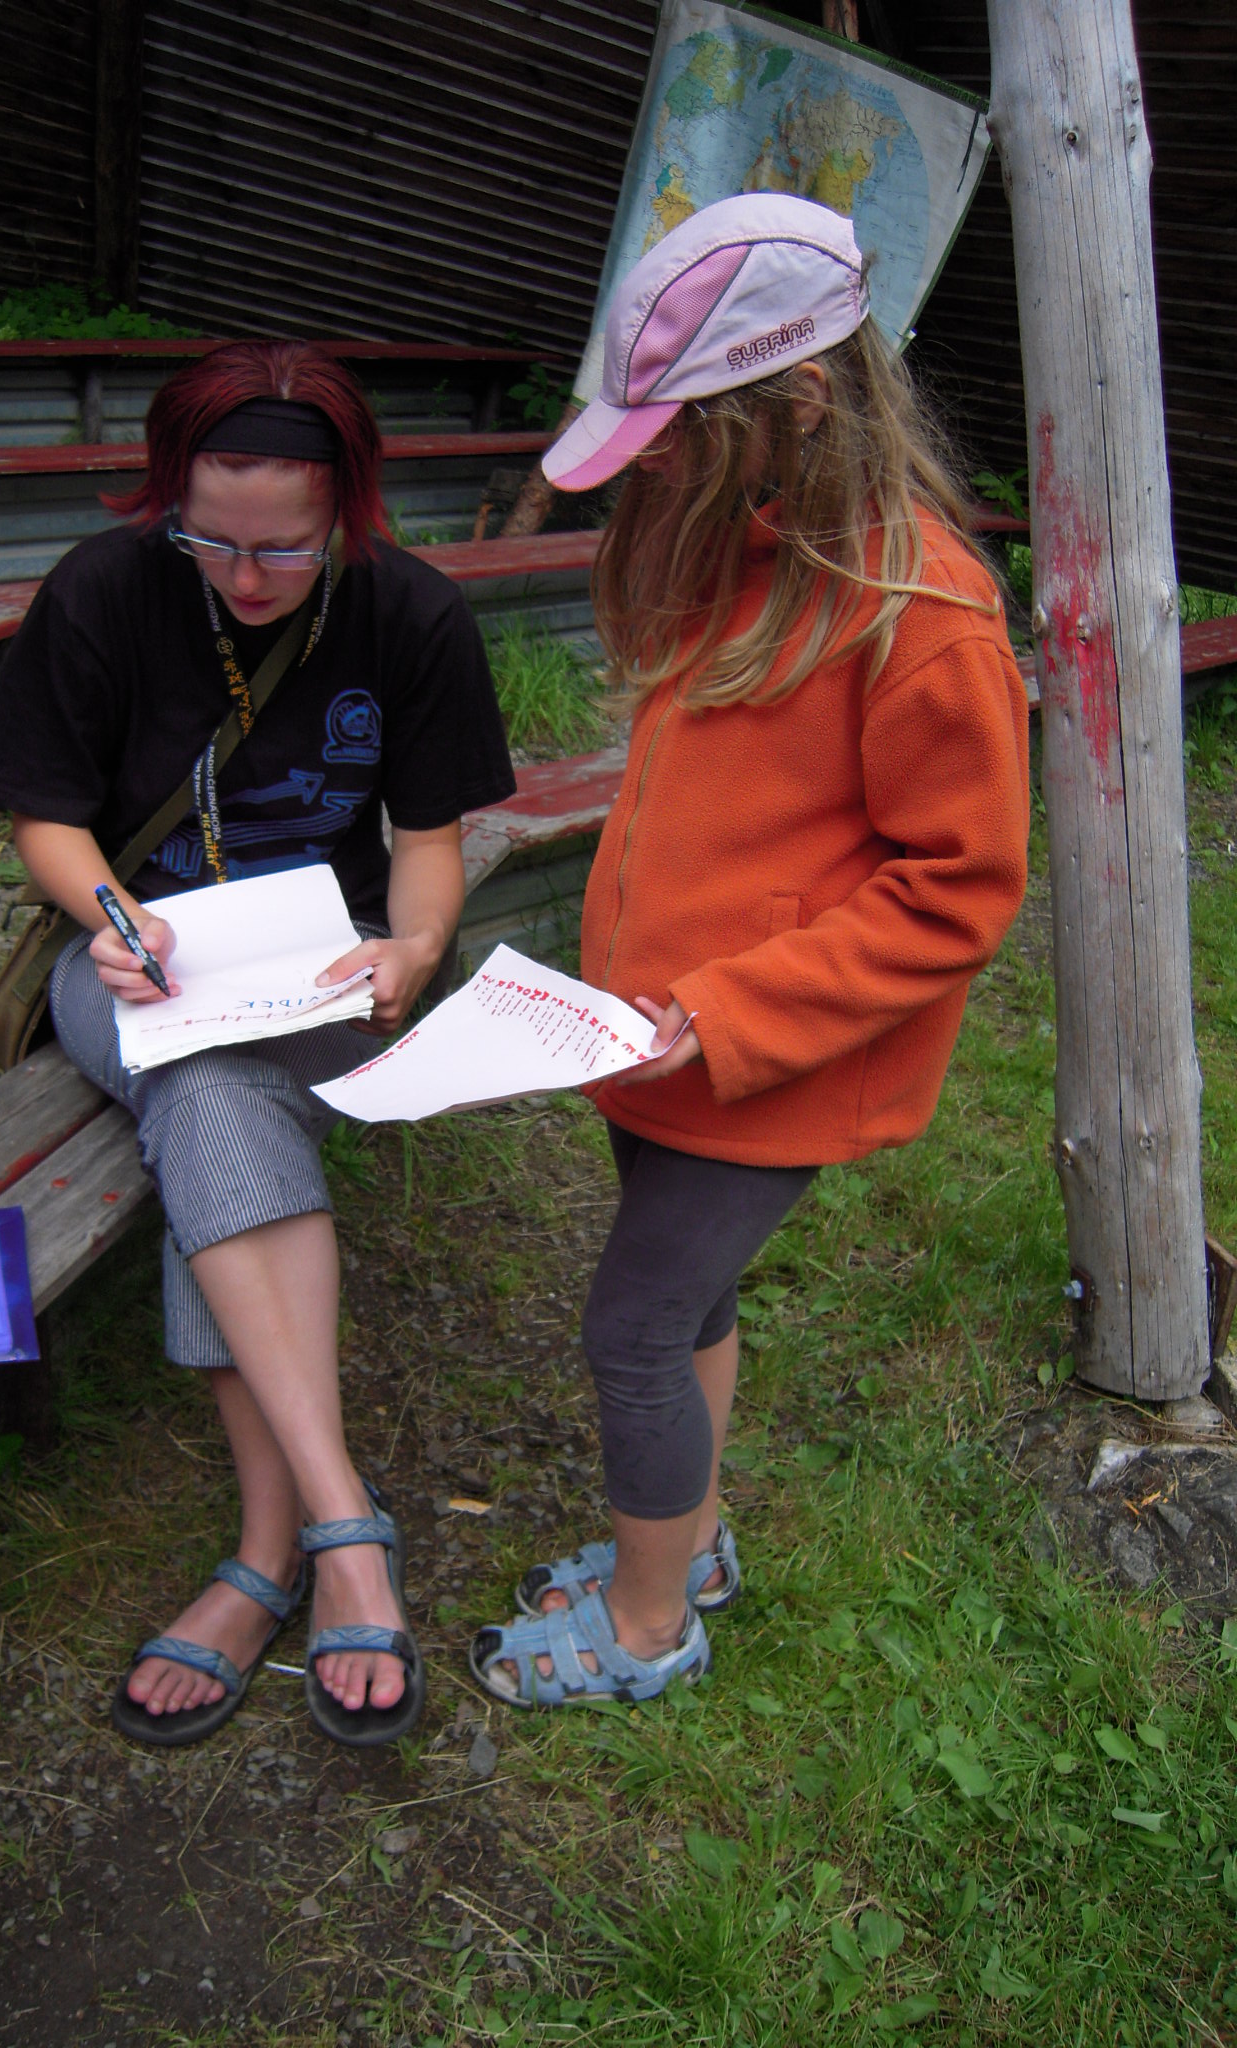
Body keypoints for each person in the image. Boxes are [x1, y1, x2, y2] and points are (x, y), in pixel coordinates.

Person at [470, 193, 1030, 1708]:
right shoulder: (748, 543)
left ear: (799, 402)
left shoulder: (926, 613)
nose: (652, 464)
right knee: (692, 1305)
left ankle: (649, 1625)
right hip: (658, 1042)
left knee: (635, 1330)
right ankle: (689, 1540)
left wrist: (729, 1008)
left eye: (677, 437)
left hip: (771, 1059)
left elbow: (960, 887)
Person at [0, 340, 515, 1747]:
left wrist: (415, 950)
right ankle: (343, 1532)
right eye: (209, 539)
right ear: (168, 499)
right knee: (205, 1078)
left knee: (207, 1104)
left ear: (348, 510)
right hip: (133, 962)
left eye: (284, 547)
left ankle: (269, 1554)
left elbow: (430, 842)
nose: (246, 576)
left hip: (334, 964)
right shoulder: (106, 589)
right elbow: (45, 815)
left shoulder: (410, 612)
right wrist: (113, 918)